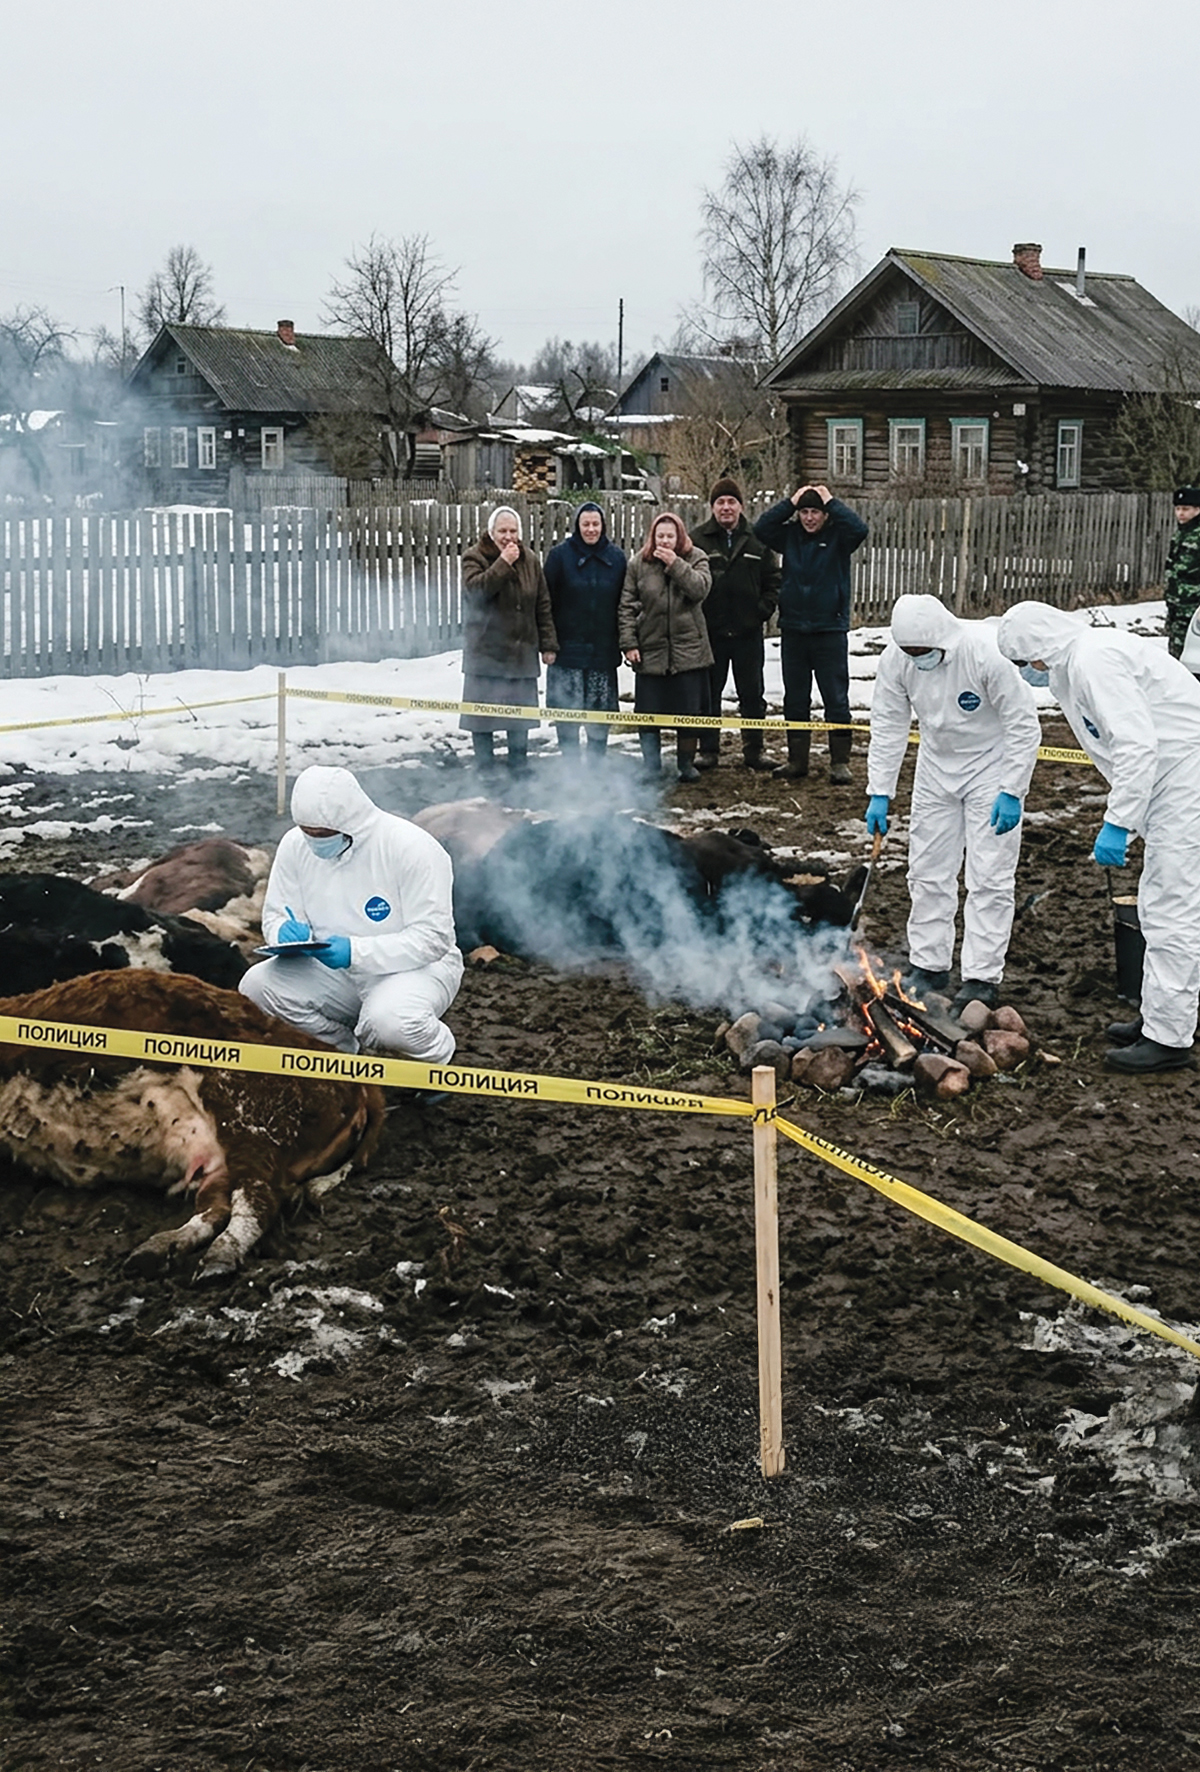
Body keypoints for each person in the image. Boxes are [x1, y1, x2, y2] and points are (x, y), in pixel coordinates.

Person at [996, 601, 1200, 1074]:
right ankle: (1163, 1014)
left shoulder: (1093, 659)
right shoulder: (1078, 663)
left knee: (1171, 908)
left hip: (1185, 779)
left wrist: (1118, 821)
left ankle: (1168, 1038)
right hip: (1171, 781)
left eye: (1023, 662)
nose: (1026, 672)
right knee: (1165, 906)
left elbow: (1135, 744)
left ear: (1038, 650)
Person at [866, 593, 1041, 1011]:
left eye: (922, 652)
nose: (917, 659)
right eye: (910, 652)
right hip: (935, 768)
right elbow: (889, 723)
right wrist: (880, 791)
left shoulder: (985, 655)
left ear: (941, 639)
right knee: (927, 870)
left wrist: (1012, 789)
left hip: (991, 766)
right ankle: (929, 963)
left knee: (989, 876)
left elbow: (1023, 723)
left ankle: (981, 975)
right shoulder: (897, 661)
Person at [241, 765, 463, 1065]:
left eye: (323, 834)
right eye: (308, 832)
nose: (314, 841)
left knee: (391, 1022)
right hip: (331, 967)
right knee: (257, 987)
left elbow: (432, 939)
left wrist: (355, 952)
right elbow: (278, 911)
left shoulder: (411, 848)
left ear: (351, 822)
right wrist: (282, 932)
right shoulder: (295, 845)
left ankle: (436, 1059)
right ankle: (337, 1053)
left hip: (413, 969)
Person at [754, 482, 868, 784]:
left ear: (825, 514)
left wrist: (830, 501)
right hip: (794, 630)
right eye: (804, 512)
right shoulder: (789, 535)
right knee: (795, 699)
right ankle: (797, 760)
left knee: (836, 698)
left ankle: (839, 762)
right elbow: (762, 528)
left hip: (830, 629)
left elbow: (860, 529)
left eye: (815, 512)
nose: (809, 518)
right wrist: (790, 502)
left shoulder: (839, 536)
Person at [689, 477, 780, 773]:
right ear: (712, 507)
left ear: (741, 506)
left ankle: (754, 750)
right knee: (709, 694)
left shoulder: (757, 539)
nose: (726, 507)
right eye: (720, 502)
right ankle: (708, 750)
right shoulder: (697, 539)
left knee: (752, 694)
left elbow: (773, 580)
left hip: (747, 631)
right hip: (711, 633)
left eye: (731, 502)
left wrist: (762, 610)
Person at [460, 506, 558, 775]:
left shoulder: (530, 560)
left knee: (519, 716)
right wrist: (503, 563)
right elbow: (476, 593)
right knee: (482, 718)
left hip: (521, 651)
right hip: (485, 652)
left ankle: (519, 766)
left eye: (513, 531)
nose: (508, 536)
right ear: (491, 533)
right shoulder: (474, 557)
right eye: (502, 531)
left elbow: (542, 604)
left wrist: (548, 644)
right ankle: (485, 769)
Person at [619, 512, 713, 783]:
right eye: (660, 536)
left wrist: (675, 564)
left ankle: (686, 765)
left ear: (679, 537)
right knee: (648, 714)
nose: (665, 541)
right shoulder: (638, 563)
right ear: (653, 537)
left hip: (689, 651)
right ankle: (651, 766)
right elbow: (626, 606)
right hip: (651, 649)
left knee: (689, 714)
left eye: (670, 536)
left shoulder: (696, 558)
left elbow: (700, 590)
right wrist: (629, 643)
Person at [542, 501, 625, 762]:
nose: (591, 529)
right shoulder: (559, 557)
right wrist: (548, 643)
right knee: (567, 716)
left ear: (603, 525)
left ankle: (596, 767)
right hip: (567, 652)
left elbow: (625, 604)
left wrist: (625, 642)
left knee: (599, 717)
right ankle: (570, 767)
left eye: (595, 524)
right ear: (577, 526)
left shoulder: (617, 558)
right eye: (585, 524)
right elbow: (544, 603)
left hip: (603, 651)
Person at [1165, 483, 1200, 670]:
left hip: (1193, 605)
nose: (1180, 513)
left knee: (1192, 657)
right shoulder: (1180, 535)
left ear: (1197, 509)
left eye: (1186, 509)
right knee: (1174, 655)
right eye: (1178, 509)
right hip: (1176, 604)